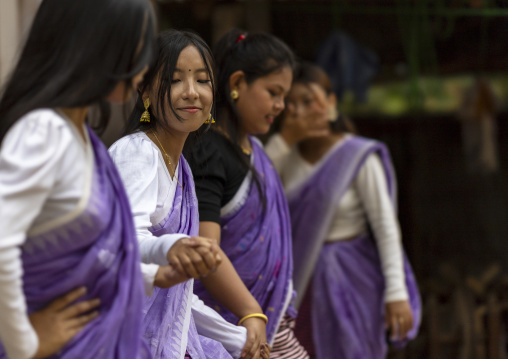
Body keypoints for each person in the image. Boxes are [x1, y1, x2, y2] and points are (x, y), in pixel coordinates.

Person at [0, 0, 189, 358]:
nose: (145, 62)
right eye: (139, 43)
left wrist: (151, 276)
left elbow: (91, 255)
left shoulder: (83, 138)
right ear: (100, 42)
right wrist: (24, 343)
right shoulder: (44, 131)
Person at [109, 30, 270, 359]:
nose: (192, 92)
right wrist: (173, 247)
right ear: (145, 90)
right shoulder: (137, 153)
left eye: (202, 80)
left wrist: (239, 340)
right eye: (175, 80)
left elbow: (177, 298)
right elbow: (124, 245)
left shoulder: (181, 169)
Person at [265, 62, 421, 358]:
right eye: (290, 104)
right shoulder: (281, 157)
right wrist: (283, 141)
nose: (299, 111)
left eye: (308, 101)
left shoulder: (356, 156)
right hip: (299, 284)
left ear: (331, 103)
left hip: (354, 280)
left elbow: (386, 228)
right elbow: (253, 193)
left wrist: (396, 293)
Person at [188, 28, 309, 358]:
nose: (281, 105)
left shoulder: (255, 151)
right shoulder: (209, 153)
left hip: (268, 323)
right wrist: (250, 311)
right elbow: (205, 250)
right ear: (238, 83)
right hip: (232, 325)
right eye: (273, 92)